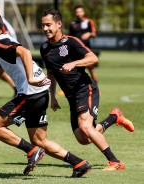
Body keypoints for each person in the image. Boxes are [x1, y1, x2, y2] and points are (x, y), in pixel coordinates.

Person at [0, 11, 91, 177]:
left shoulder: (2, 42)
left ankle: (32, 151)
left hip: (30, 94)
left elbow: (25, 53)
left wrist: (29, 78)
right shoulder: (1, 44)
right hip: (39, 92)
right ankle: (79, 163)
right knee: (40, 140)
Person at [40, 9, 134, 171]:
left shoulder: (71, 42)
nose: (45, 29)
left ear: (59, 24)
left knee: (85, 127)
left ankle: (115, 162)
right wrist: (53, 96)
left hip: (85, 88)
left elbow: (93, 58)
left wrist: (74, 63)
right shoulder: (44, 48)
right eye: (43, 25)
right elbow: (50, 73)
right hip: (71, 96)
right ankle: (114, 117)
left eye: (48, 25)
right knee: (83, 138)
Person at [0, 4, 18, 96]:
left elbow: (6, 33)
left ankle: (17, 88)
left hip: (6, 48)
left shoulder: (0, 22)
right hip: (3, 48)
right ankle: (16, 87)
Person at [69, 5, 98, 83]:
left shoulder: (88, 22)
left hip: (86, 49)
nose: (79, 13)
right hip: (75, 51)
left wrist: (89, 34)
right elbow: (70, 37)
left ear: (83, 12)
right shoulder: (72, 24)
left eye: (80, 11)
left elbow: (94, 34)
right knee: (73, 70)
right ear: (75, 13)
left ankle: (96, 88)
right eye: (77, 12)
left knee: (91, 69)